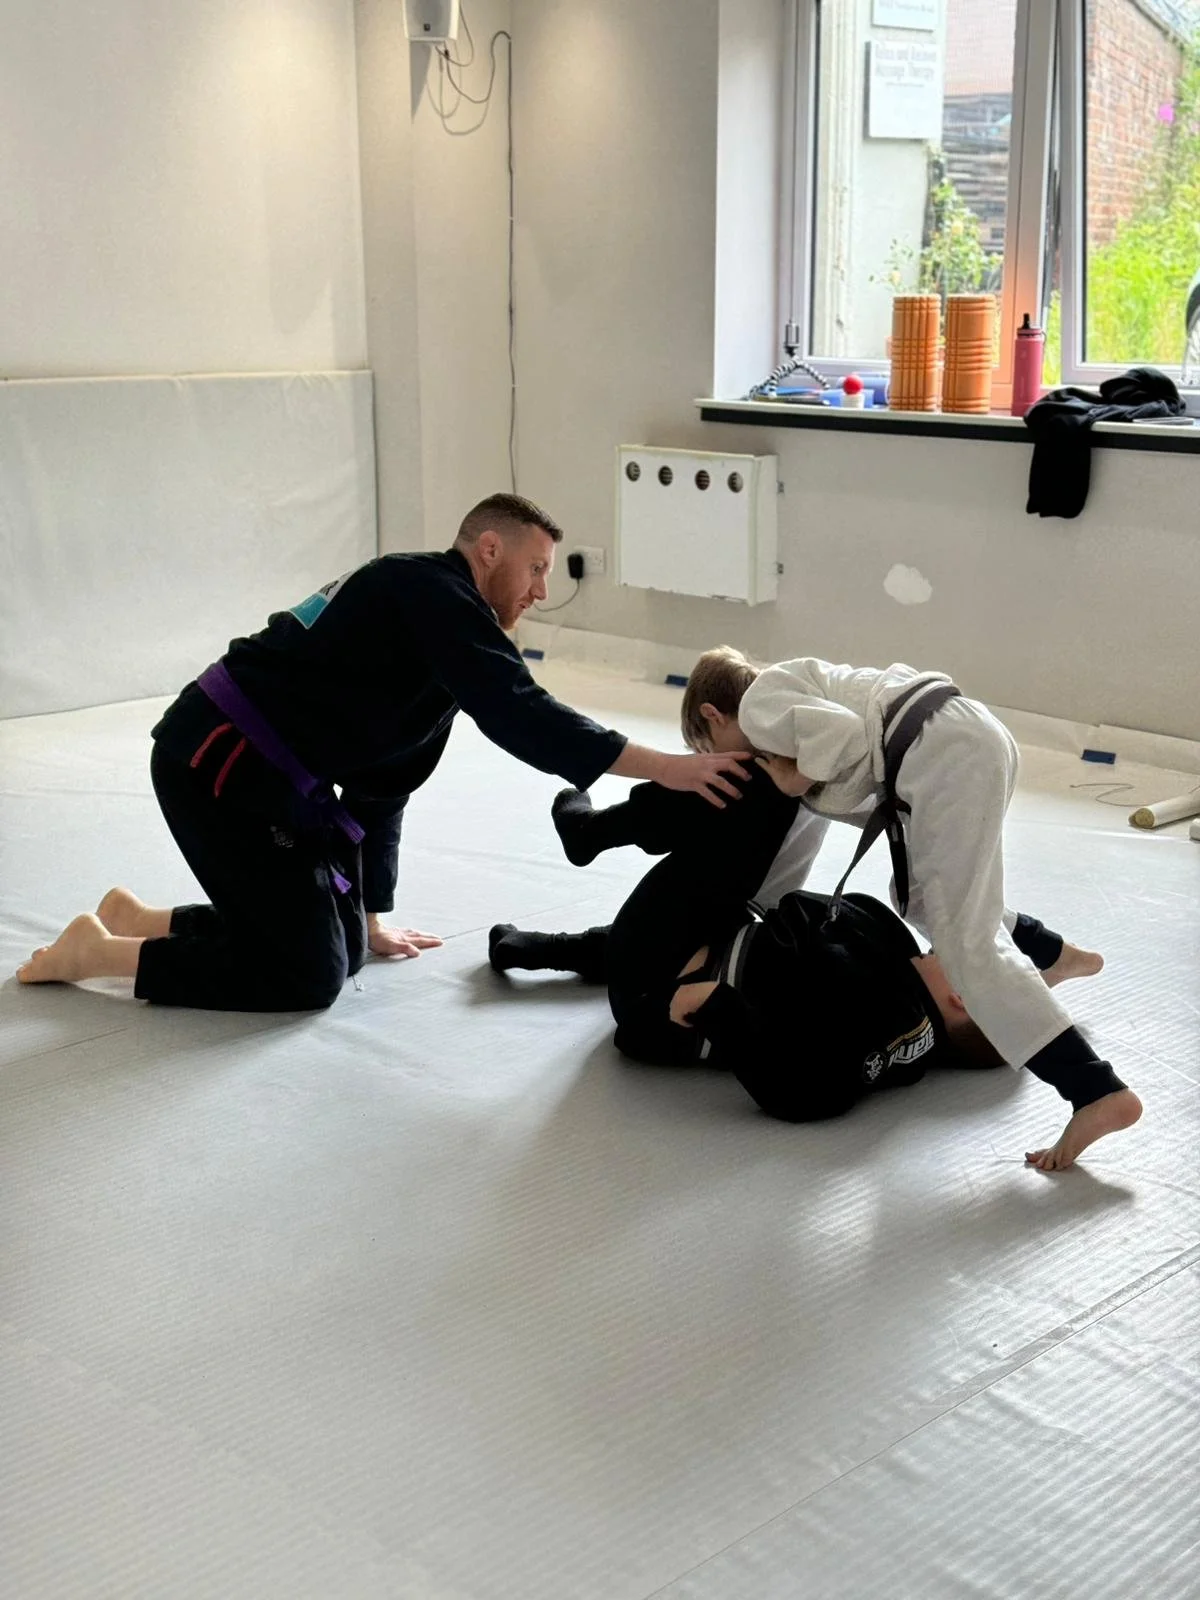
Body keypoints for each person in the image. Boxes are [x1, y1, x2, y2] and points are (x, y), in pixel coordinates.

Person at [16, 495, 747, 1012]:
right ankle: (100, 955)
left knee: (343, 946)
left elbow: (384, 789)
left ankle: (143, 919)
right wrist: (668, 765)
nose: (541, 590)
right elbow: (519, 711)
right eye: (535, 568)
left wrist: (370, 914)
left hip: (273, 782)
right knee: (308, 979)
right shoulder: (423, 590)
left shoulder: (443, 636)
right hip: (214, 763)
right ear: (488, 550)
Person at [662, 645, 1141, 1171]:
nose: (730, 763)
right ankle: (1048, 951)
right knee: (919, 899)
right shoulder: (790, 690)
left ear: (713, 715)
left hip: (946, 755)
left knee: (966, 943)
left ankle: (1093, 1088)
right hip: (957, 743)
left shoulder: (759, 708)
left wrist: (788, 780)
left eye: (712, 749)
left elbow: (839, 740)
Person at [490, 769, 1108, 1145]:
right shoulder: (904, 973)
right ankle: (543, 949)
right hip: (711, 943)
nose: (977, 950)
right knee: (775, 817)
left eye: (986, 964)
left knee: (756, 795)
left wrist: (718, 1011)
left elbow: (815, 1092)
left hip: (659, 988)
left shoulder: (896, 1018)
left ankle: (593, 832)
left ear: (960, 998)